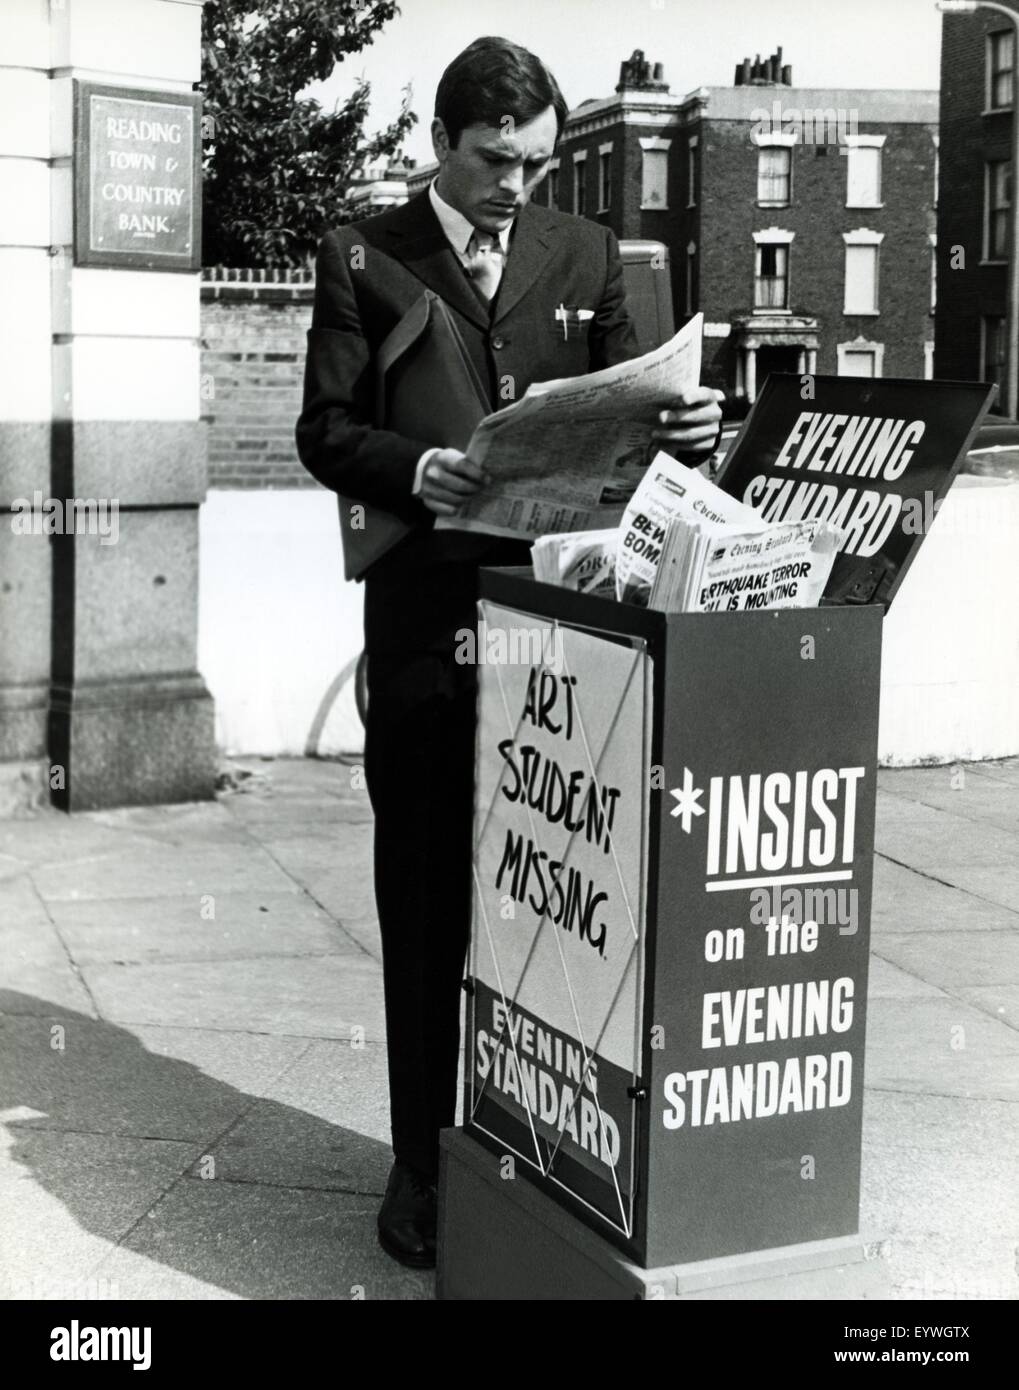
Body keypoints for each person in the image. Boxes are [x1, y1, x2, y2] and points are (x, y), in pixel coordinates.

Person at [296, 36, 723, 1269]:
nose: (515, 187)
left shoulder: (583, 252)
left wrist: (685, 424)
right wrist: (410, 468)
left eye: (535, 164)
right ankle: (422, 1166)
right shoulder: (362, 253)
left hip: (563, 629)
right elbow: (323, 428)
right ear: (442, 144)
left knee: (560, 902)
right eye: (494, 162)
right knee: (428, 898)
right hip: (429, 628)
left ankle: (535, 1149)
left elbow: (637, 418)